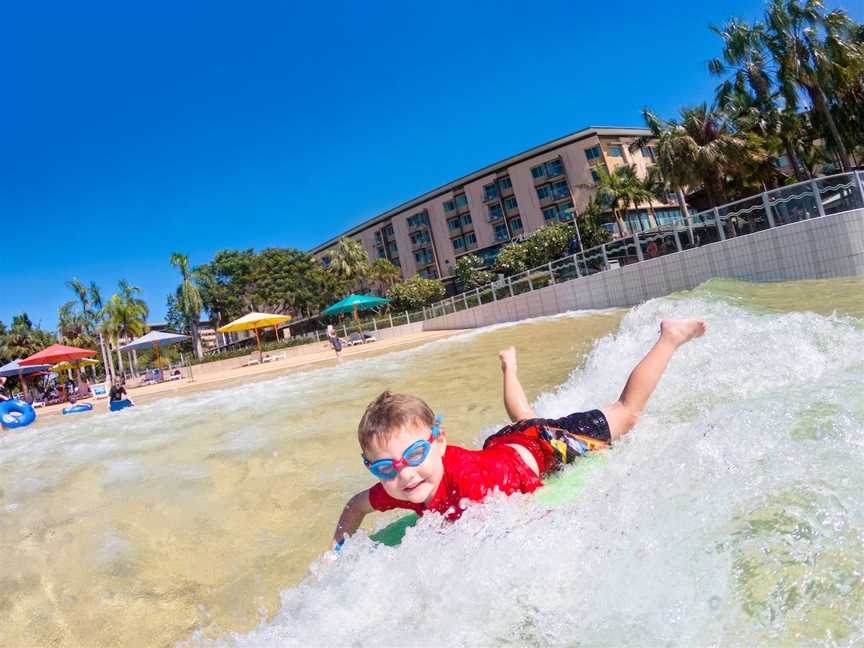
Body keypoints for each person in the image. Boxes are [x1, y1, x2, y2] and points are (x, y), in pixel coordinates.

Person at [331, 319, 707, 547]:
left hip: (547, 445)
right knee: (524, 417)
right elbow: (355, 506)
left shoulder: (475, 484)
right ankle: (509, 366)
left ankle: (670, 336)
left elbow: (532, 517)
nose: (404, 474)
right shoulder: (400, 485)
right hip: (505, 443)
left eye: (414, 455)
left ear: (439, 441)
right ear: (373, 468)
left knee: (627, 413)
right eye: (385, 469)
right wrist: (336, 549)